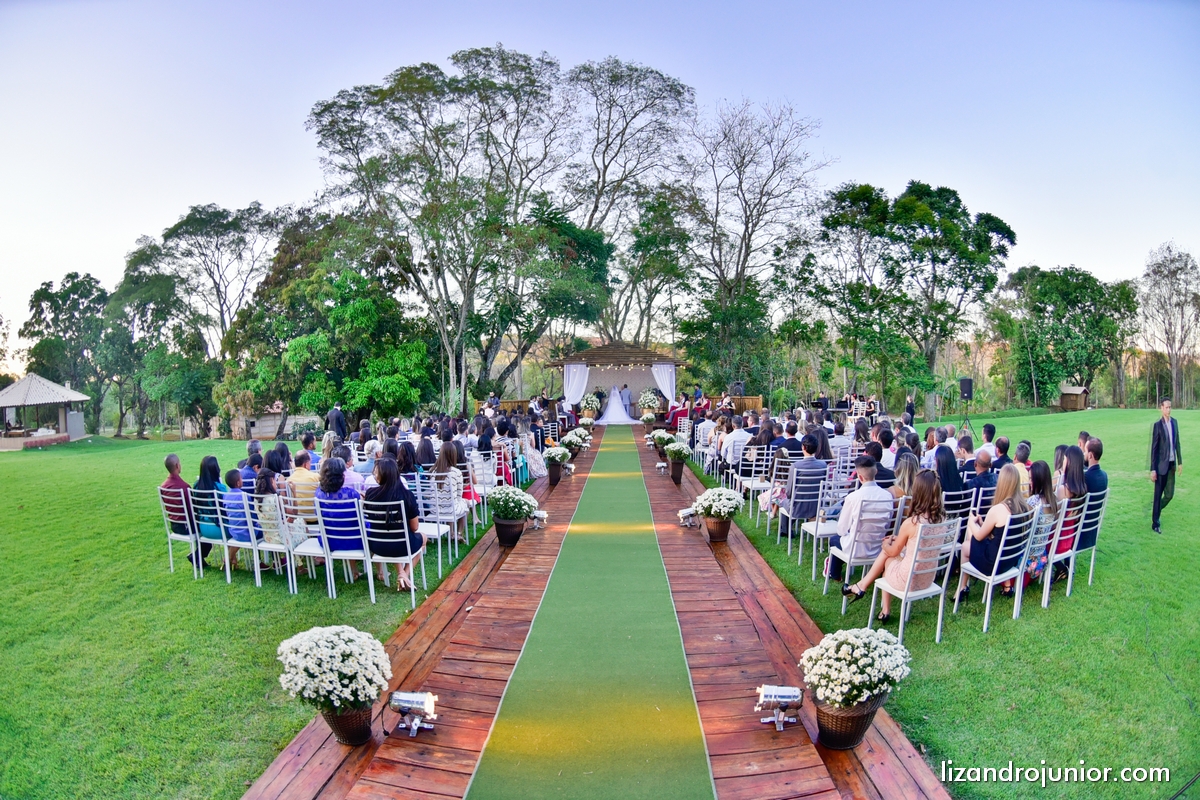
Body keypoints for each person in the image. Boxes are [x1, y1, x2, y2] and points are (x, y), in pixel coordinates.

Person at [842, 469, 946, 620]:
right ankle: (867, 593)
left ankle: (873, 598)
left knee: (888, 558)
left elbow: (892, 552)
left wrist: (885, 544)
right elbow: (921, 543)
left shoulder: (912, 522)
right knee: (892, 556)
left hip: (909, 581)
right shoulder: (942, 519)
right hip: (927, 578)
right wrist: (899, 540)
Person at [960, 464, 1030, 599]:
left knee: (966, 544)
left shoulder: (998, 509)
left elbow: (979, 537)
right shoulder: (1024, 507)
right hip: (1010, 560)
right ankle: (965, 587)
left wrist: (970, 521)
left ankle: (963, 587)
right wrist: (982, 524)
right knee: (973, 536)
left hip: (994, 564)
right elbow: (1001, 534)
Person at [363, 457, 426, 590]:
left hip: (377, 545)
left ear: (383, 475)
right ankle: (404, 575)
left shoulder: (370, 495)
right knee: (423, 538)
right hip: (402, 545)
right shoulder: (407, 495)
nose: (374, 475)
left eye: (376, 473)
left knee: (392, 535)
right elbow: (415, 527)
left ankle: (402, 575)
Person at [826, 455, 891, 582]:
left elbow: (841, 530)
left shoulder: (853, 497)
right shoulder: (888, 496)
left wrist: (851, 531)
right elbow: (886, 525)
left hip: (856, 549)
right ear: (876, 471)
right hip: (878, 547)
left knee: (834, 539)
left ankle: (835, 574)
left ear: (859, 477)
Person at [255, 468, 309, 551]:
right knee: (301, 520)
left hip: (268, 537)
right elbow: (294, 514)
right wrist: (294, 492)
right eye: (274, 480)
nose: (276, 483)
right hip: (282, 538)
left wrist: (284, 522)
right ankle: (311, 556)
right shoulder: (275, 499)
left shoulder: (256, 500)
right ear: (271, 480)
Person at [1150, 397, 1182, 535]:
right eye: (1166, 407)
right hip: (1160, 466)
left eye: (1170, 407)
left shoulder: (1174, 423)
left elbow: (1177, 443)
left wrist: (1179, 461)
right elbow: (1154, 448)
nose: (1168, 409)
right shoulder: (1158, 425)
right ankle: (1155, 523)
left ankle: (1157, 509)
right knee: (1158, 495)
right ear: (1161, 408)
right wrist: (1153, 469)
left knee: (1169, 494)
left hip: (1171, 465)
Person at [161, 454, 200, 563]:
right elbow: (192, 509)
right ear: (177, 465)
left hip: (174, 525)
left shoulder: (163, 486)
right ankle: (195, 556)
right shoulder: (184, 487)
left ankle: (198, 558)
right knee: (206, 529)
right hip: (186, 526)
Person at [221, 470, 254, 545]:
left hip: (233, 532)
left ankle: (229, 556)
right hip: (248, 533)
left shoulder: (225, 496)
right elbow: (252, 515)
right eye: (241, 478)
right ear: (238, 483)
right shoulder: (245, 496)